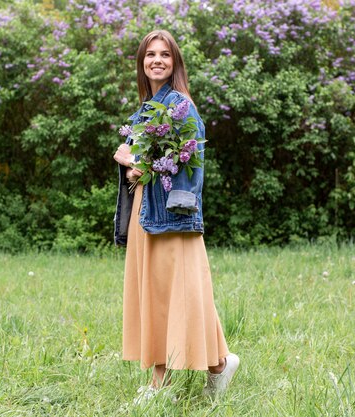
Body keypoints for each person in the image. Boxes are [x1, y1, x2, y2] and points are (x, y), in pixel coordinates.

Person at [113, 29, 239, 402]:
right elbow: (149, 170)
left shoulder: (181, 106)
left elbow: (189, 170)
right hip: (146, 213)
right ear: (141, 62)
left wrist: (132, 160)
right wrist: (134, 169)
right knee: (171, 293)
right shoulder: (146, 109)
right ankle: (219, 365)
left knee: (172, 292)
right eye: (150, 54)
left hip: (171, 217)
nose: (157, 60)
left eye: (164, 55)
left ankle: (159, 385)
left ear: (175, 63)